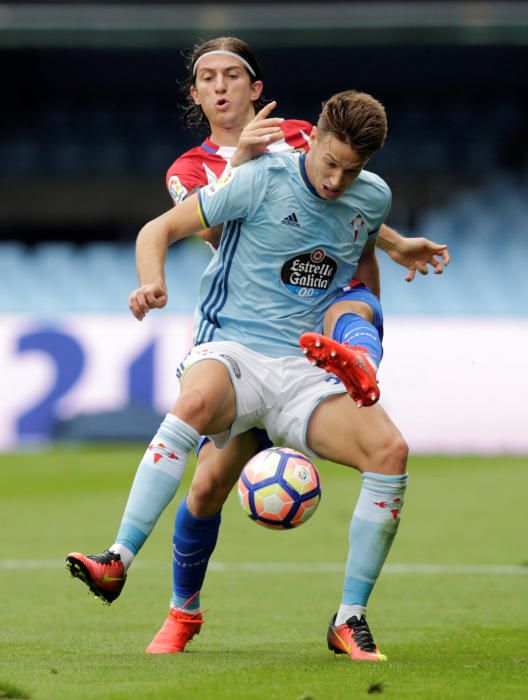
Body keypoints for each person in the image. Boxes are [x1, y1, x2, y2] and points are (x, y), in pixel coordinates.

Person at [65, 39, 447, 638]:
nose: (220, 87)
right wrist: (153, 281)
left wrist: (394, 246)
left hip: (306, 360)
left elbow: (350, 215)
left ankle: (349, 617)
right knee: (207, 485)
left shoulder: (309, 145)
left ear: (256, 89)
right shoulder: (200, 172)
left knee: (380, 413)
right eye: (207, 79)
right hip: (238, 347)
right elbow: (207, 223)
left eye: (232, 75)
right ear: (195, 95)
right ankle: (165, 599)